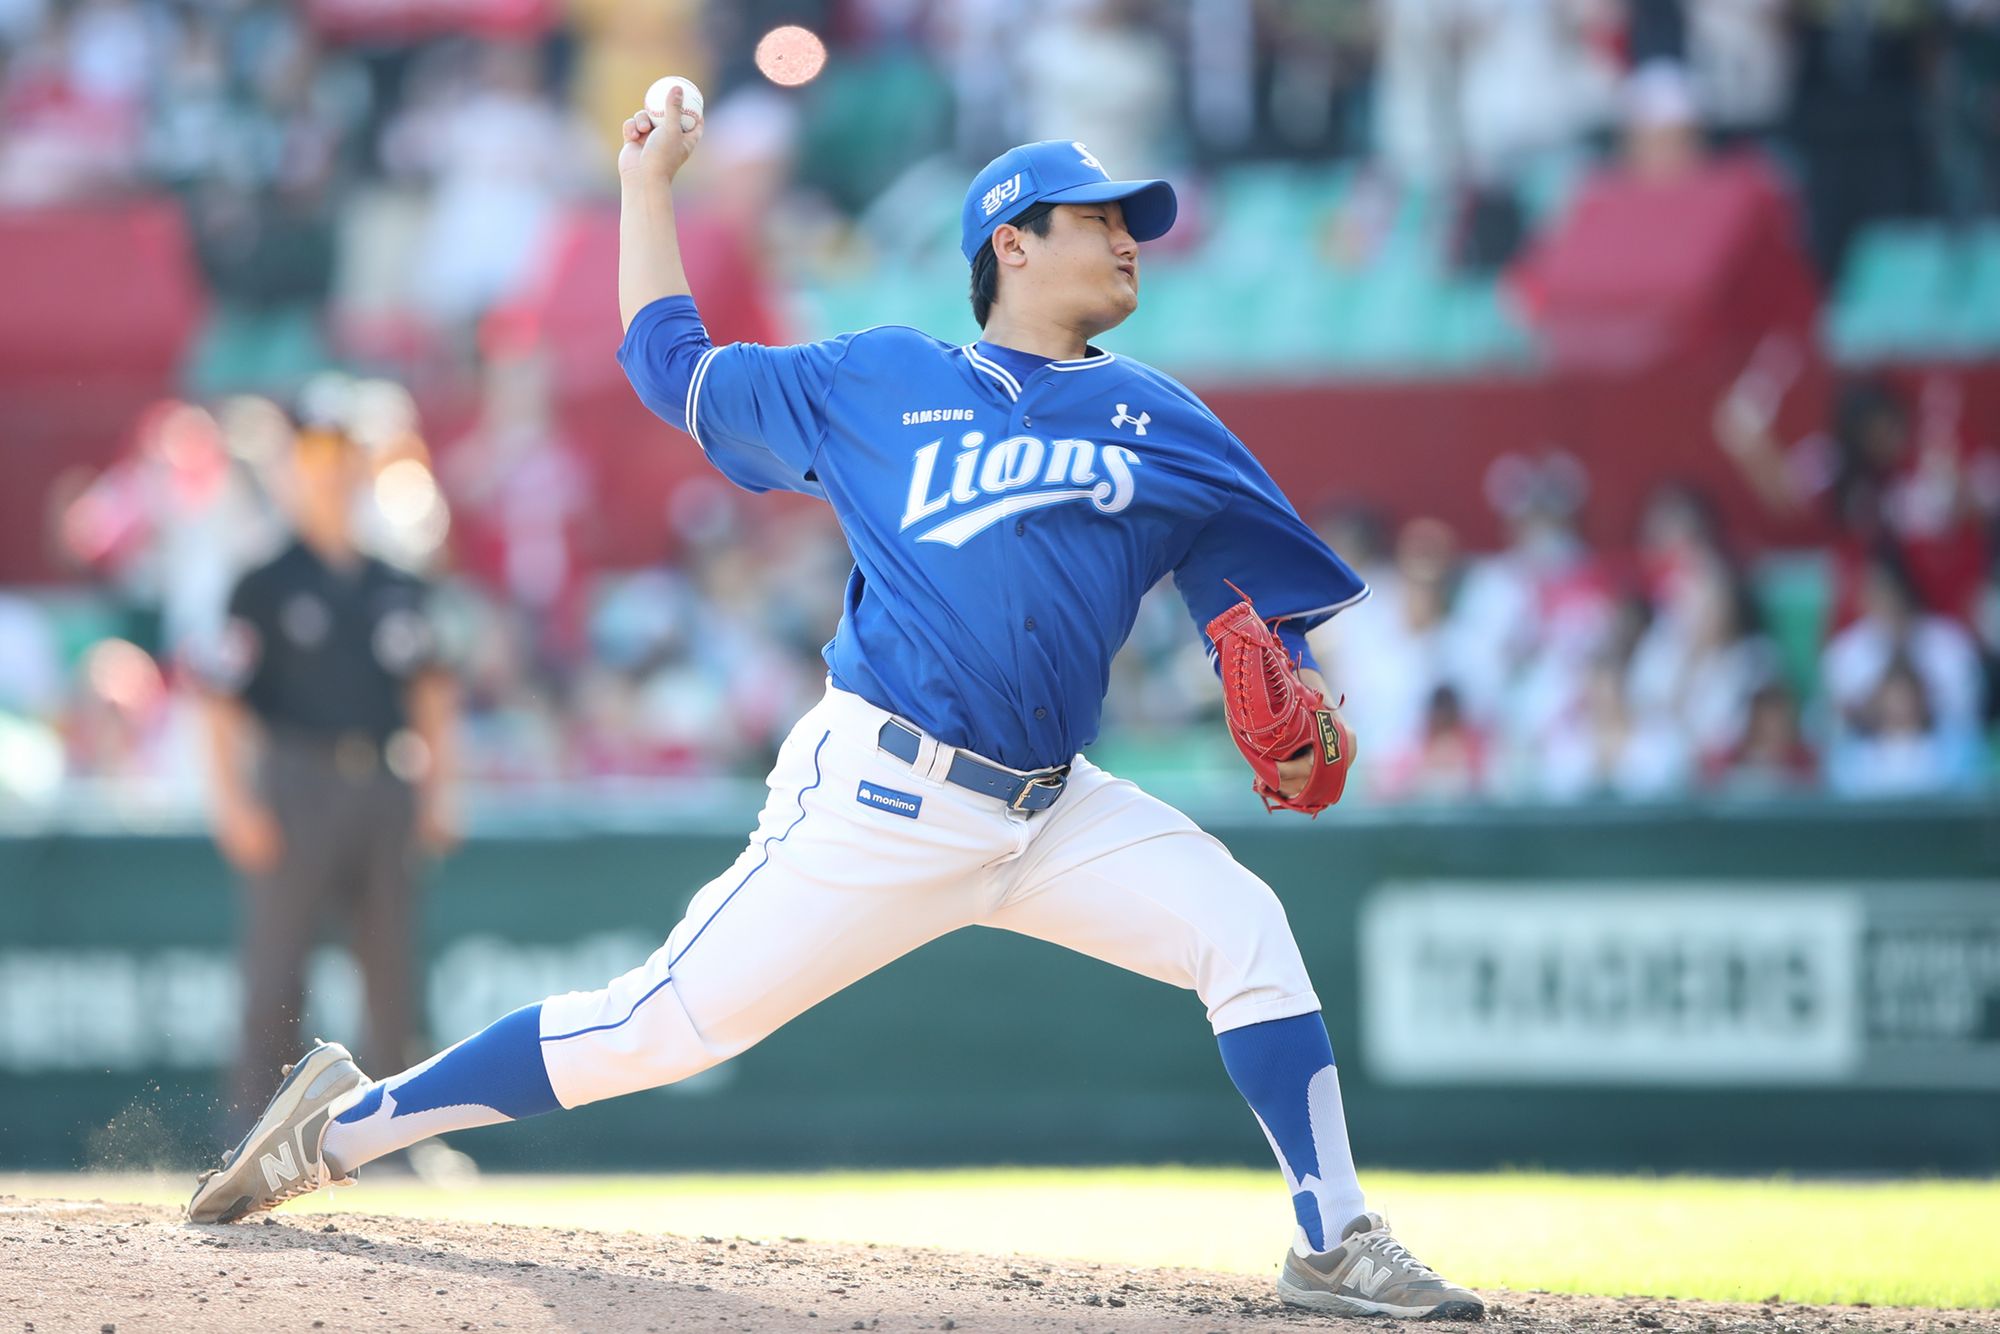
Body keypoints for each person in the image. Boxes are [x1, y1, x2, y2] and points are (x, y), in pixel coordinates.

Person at [187, 95, 1485, 1323]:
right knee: (654, 1027)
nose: (1126, 239)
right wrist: (646, 186)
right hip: (884, 792)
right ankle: (342, 1125)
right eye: (1097, 218)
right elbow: (670, 365)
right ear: (1010, 243)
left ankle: (1332, 1235)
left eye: (1129, 221)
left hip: (1054, 807)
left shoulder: (1160, 419)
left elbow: (1252, 605)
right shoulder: (882, 376)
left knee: (1242, 924)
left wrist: (1289, 685)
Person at [195, 411, 459, 1145]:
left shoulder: (396, 581)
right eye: (313, 458)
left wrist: (441, 791)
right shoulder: (264, 583)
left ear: (361, 467)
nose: (329, 474)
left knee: (391, 967)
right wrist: (232, 802)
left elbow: (433, 692)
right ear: (290, 471)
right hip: (297, 783)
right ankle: (254, 1131)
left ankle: (398, 1136)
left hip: (385, 779)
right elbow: (218, 699)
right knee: (278, 967)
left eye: (341, 457)